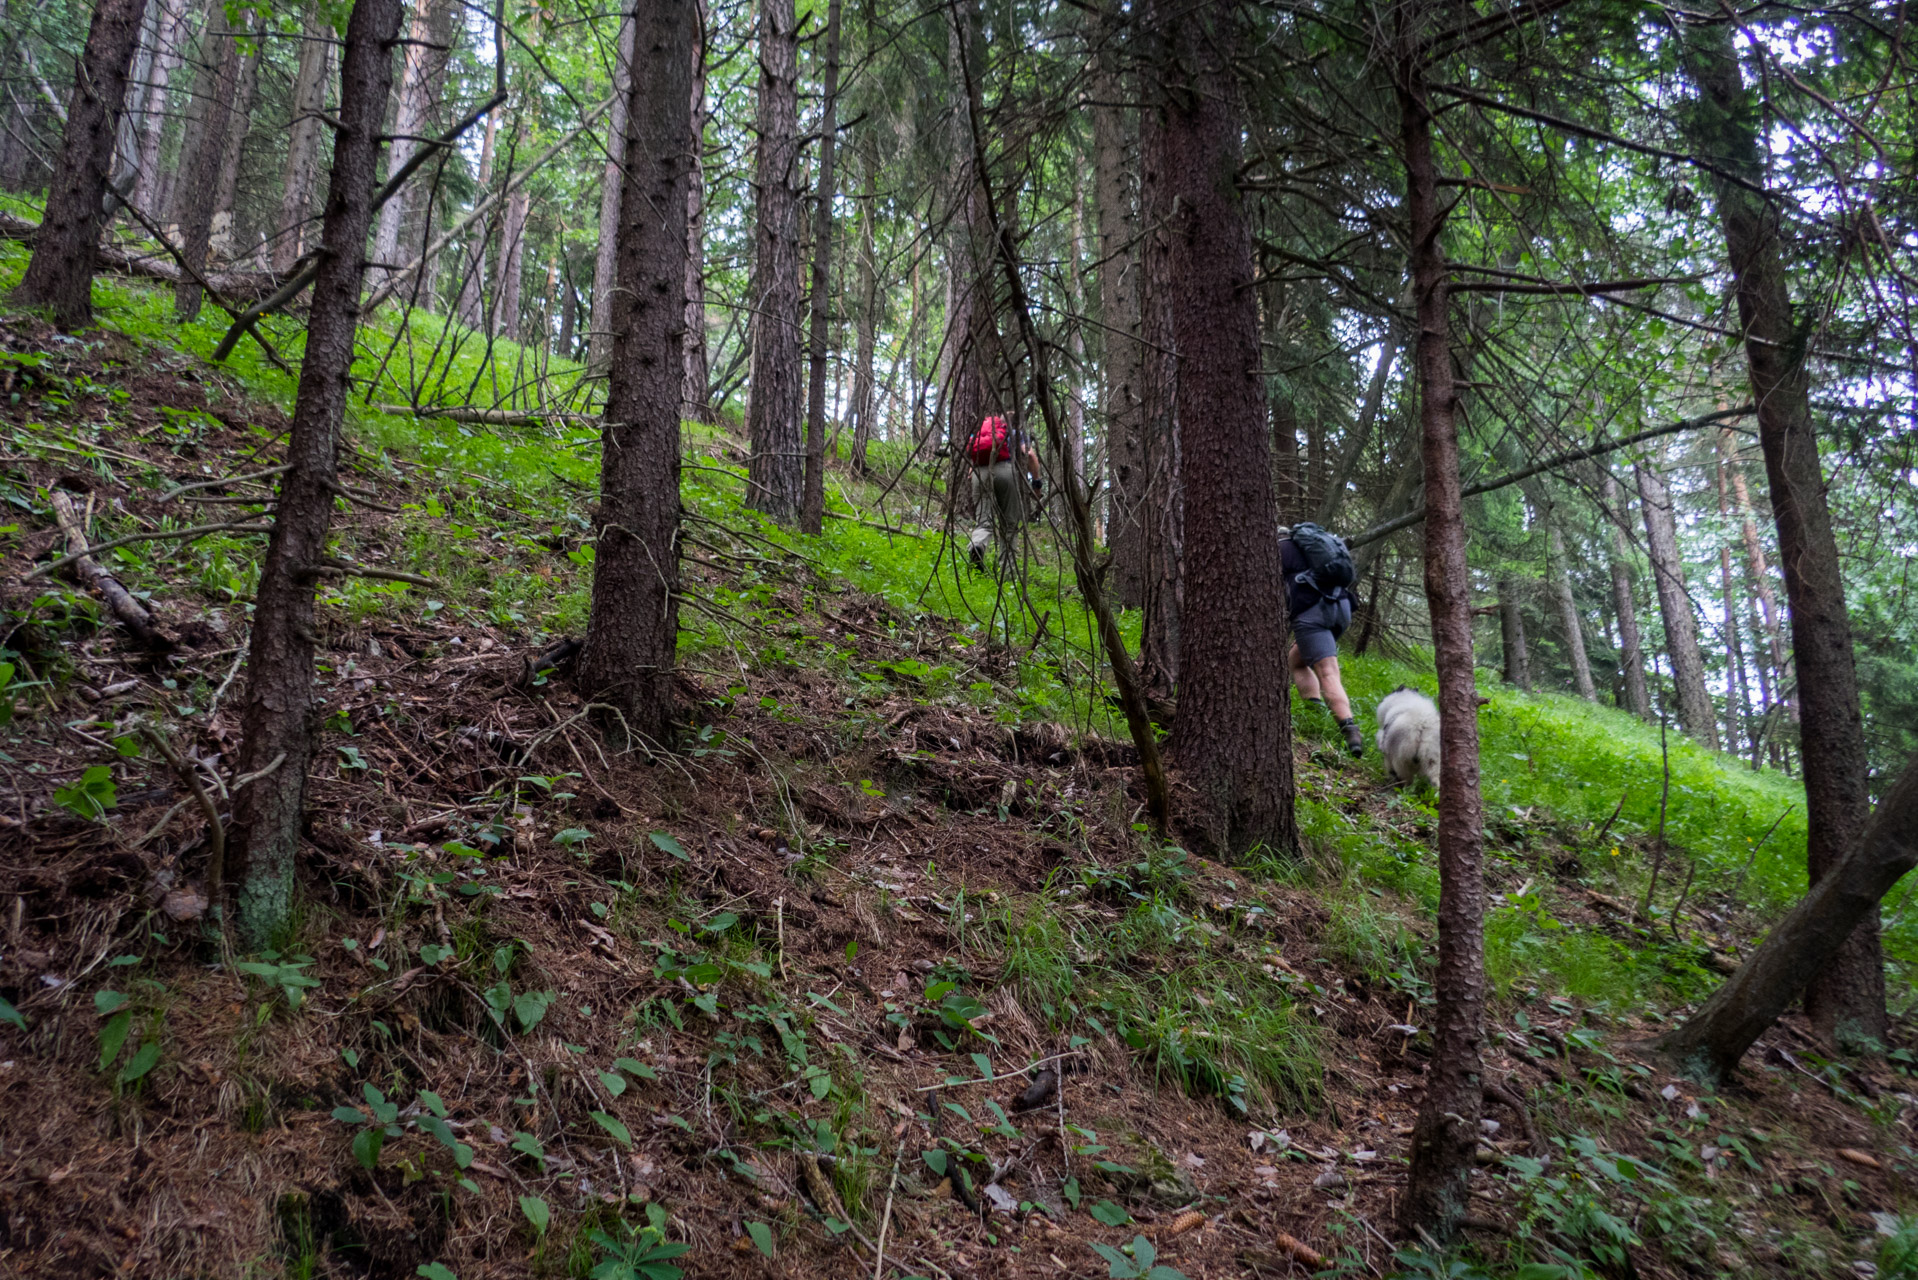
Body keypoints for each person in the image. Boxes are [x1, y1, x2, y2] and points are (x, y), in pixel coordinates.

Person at [1280, 522, 1363, 756]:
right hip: (1342, 608)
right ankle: (1314, 713)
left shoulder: (1279, 550)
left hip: (1312, 612)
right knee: (1296, 660)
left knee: (1327, 671)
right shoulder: (1313, 548)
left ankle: (1350, 732)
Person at [966, 414, 1042, 572]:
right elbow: (1029, 455)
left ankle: (977, 545)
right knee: (1009, 524)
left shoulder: (982, 432)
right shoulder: (1016, 433)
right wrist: (1036, 482)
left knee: (983, 521)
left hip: (979, 473)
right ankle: (1007, 573)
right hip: (1005, 472)